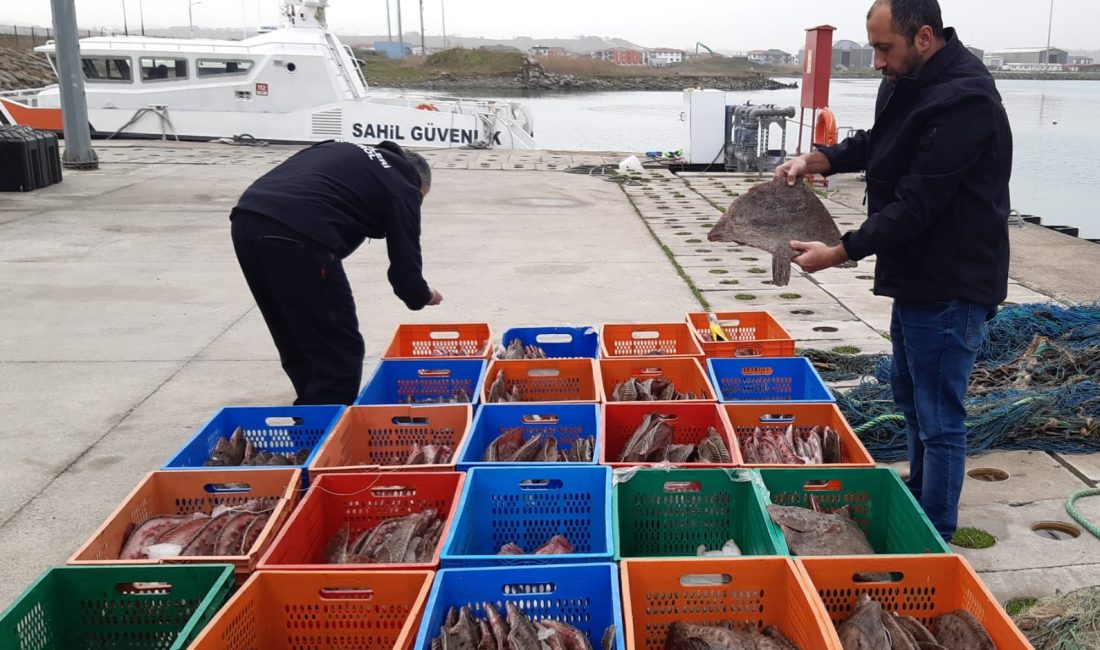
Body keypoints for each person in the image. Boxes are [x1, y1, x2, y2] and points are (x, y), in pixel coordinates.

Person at [775, 0, 1012, 541]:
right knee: (909, 396)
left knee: (940, 416)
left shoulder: (965, 101)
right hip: (917, 274)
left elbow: (917, 204)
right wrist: (815, 160)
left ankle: (936, 532)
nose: (878, 61)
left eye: (885, 48)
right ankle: (923, 499)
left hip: (953, 280)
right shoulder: (912, 80)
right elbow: (878, 144)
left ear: (924, 37)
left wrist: (840, 251)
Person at [230, 140, 443, 406]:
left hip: (246, 220)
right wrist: (423, 295)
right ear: (419, 183)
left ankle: (310, 416)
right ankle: (326, 435)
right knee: (340, 353)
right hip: (299, 233)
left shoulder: (345, 151)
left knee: (294, 335)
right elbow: (406, 271)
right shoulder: (403, 185)